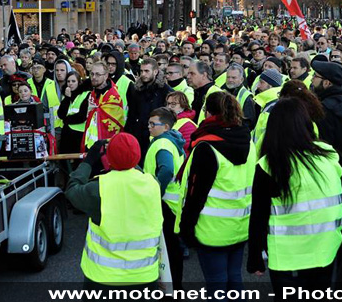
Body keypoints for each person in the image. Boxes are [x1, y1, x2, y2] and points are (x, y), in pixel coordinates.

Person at [247, 98, 342, 296]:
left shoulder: (269, 165)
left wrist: (255, 256)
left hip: (286, 256)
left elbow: (258, 214)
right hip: (326, 247)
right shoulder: (327, 155)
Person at [175, 91, 256, 295]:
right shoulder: (249, 141)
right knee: (234, 279)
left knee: (216, 284)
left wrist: (186, 228)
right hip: (240, 224)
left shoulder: (206, 147)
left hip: (211, 229)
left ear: (208, 113)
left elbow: (196, 194)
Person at [66, 133, 163, 290]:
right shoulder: (153, 184)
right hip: (144, 276)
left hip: (103, 278)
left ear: (109, 157)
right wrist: (128, 158)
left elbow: (72, 190)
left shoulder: (98, 189)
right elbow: (133, 170)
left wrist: (89, 161)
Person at [142, 107, 186, 290]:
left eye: (153, 124)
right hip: (174, 204)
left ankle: (172, 290)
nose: (149, 127)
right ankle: (176, 288)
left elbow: (167, 169)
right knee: (173, 251)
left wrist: (155, 192)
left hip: (165, 204)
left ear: (166, 127)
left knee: (169, 252)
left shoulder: (162, 144)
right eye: (149, 123)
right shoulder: (170, 140)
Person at [127, 58, 172, 161]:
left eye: (147, 71)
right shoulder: (136, 90)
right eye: (141, 71)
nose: (143, 74)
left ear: (155, 72)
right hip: (138, 134)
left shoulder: (165, 91)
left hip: (157, 133)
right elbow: (131, 114)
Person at [82, 62, 125, 150]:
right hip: (90, 143)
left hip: (106, 145)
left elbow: (116, 125)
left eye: (98, 74)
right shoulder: (92, 94)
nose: (94, 77)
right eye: (92, 74)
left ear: (106, 76)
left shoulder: (113, 97)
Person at [57, 71, 90, 154]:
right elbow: (61, 114)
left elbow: (82, 116)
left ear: (79, 82)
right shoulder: (67, 95)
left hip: (79, 133)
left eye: (73, 81)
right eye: (68, 81)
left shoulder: (86, 94)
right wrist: (67, 98)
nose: (70, 84)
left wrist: (66, 120)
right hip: (67, 132)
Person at [224, 63, 257, 132]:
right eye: (228, 77)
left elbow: (249, 123)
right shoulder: (223, 92)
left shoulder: (247, 96)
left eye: (233, 77)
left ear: (241, 79)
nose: (230, 80)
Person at [253, 69, 283, 144]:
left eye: (262, 82)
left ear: (271, 85)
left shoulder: (273, 107)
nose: (258, 86)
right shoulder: (268, 103)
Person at [165, 91, 197, 155]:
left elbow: (187, 149)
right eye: (168, 104)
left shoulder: (188, 125)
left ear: (183, 105)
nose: (169, 107)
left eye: (173, 104)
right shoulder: (169, 120)